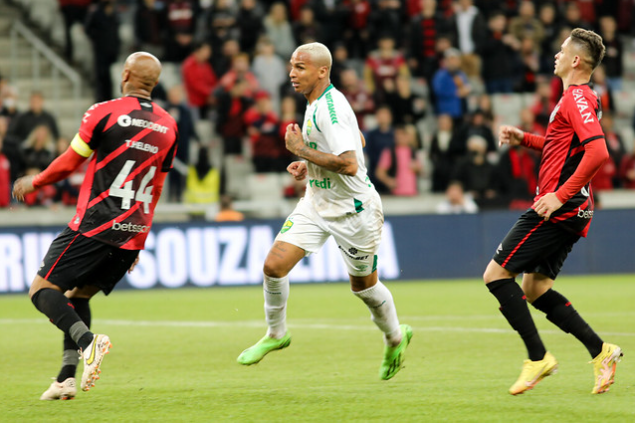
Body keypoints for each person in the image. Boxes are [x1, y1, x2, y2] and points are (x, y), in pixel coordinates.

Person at [237, 42, 412, 380]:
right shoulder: (317, 102)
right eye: (291, 65)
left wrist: (302, 149)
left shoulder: (328, 107)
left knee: (363, 287)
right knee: (274, 265)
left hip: (354, 210)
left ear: (321, 71)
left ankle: (394, 336)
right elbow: (357, 139)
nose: (291, 73)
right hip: (317, 201)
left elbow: (348, 164)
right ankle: (276, 334)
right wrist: (308, 164)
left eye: (300, 67)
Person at [12, 52, 178, 400]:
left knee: (42, 291)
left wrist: (36, 181)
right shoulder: (170, 126)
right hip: (130, 232)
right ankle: (65, 379)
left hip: (95, 224)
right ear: (156, 83)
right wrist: (140, 241)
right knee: (79, 295)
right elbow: (157, 189)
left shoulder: (105, 112)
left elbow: (71, 161)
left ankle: (89, 343)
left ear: (126, 74)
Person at [483, 29, 622, 396]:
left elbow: (599, 153)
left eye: (563, 51)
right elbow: (563, 146)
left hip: (558, 208)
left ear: (576, 60)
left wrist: (559, 196)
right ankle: (602, 352)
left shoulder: (577, 97)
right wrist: (524, 138)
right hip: (573, 210)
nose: (556, 55)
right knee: (535, 286)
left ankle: (537, 357)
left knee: (496, 275)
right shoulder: (574, 99)